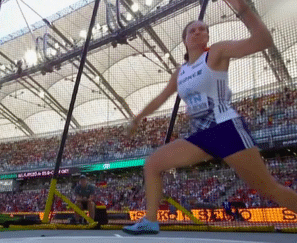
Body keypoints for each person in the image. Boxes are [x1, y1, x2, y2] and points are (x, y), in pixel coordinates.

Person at [122, 0, 297, 235]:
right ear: (185, 39)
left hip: (226, 129)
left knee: (267, 188)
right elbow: (160, 98)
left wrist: (244, 10)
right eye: (192, 30)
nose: (197, 32)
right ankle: (150, 221)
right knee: (153, 163)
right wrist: (136, 118)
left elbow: (263, 42)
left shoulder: (217, 52)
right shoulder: (181, 72)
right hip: (200, 136)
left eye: (202, 29)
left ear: (207, 36)